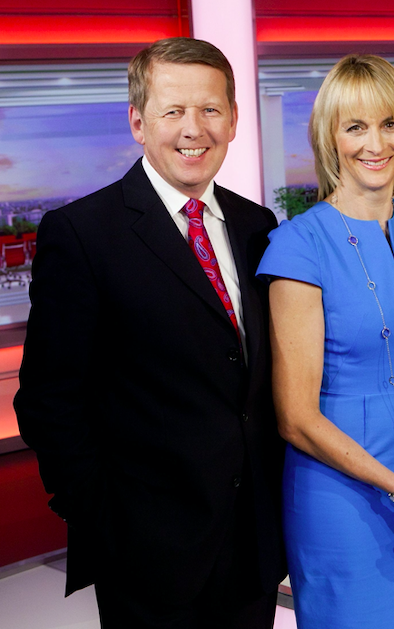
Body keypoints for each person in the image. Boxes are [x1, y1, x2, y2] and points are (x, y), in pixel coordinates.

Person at [14, 37, 285, 628]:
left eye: (211, 110)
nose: (195, 129)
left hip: (251, 545)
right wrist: (102, 519)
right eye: (173, 111)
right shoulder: (82, 234)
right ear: (139, 122)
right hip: (146, 552)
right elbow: (48, 401)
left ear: (235, 120)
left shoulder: (256, 225)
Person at [256, 54, 394, 629]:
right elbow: (296, 418)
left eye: (390, 124)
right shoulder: (297, 246)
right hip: (341, 502)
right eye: (355, 127)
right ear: (331, 138)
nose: (375, 143)